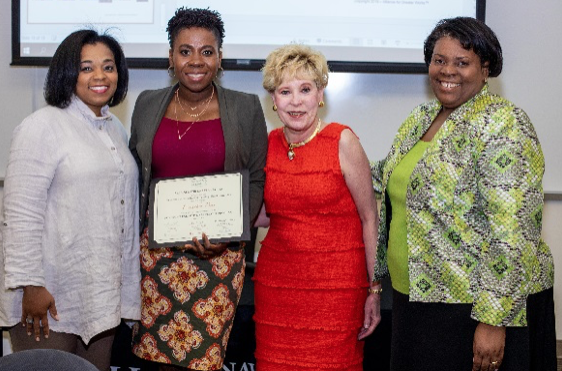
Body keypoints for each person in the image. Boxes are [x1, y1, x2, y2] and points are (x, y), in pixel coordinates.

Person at [371, 17, 557, 371]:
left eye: (462, 62)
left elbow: (513, 232)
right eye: (439, 60)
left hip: (471, 307)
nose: (447, 71)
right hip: (415, 299)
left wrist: (492, 319)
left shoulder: (504, 123)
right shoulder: (421, 117)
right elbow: (388, 178)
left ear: (485, 70)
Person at [128, 7, 268, 371]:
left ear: (220, 57)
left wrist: (231, 234)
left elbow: (256, 177)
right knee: (153, 360)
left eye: (207, 51)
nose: (196, 61)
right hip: (155, 260)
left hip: (217, 260)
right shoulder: (146, 104)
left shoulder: (245, 107)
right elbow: (136, 177)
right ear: (170, 56)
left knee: (203, 362)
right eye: (185, 50)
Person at [0, 29, 140, 371]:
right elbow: (19, 213)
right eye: (86, 67)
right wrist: (31, 285)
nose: (99, 76)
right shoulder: (41, 126)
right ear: (67, 72)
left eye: (108, 67)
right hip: (50, 298)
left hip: (100, 297)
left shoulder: (115, 132)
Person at [253, 44, 380, 371]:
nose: (295, 101)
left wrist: (375, 287)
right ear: (273, 100)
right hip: (278, 289)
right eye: (285, 91)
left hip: (336, 291)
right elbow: (266, 214)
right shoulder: (266, 146)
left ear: (320, 95)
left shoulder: (343, 141)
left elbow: (369, 217)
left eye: (305, 89)